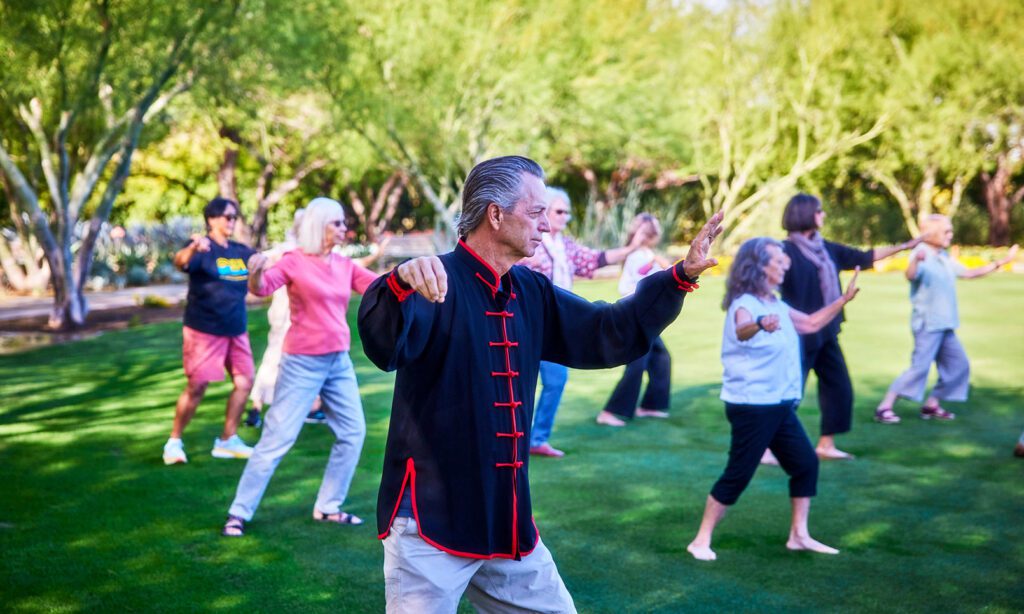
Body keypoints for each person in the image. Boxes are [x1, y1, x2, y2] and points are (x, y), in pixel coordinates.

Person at [357, 156, 724, 613]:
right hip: (431, 524)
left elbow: (608, 331)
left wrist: (680, 276)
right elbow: (383, 345)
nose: (547, 228)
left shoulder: (531, 290)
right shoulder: (433, 280)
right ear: (495, 214)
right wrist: (397, 283)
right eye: (537, 213)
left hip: (507, 523)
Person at [687, 237, 860, 562]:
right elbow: (741, 330)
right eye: (778, 262)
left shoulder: (776, 303)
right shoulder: (745, 304)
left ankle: (799, 535)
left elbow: (809, 323)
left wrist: (843, 299)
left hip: (778, 404)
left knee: (805, 464)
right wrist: (760, 325)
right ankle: (700, 540)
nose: (785, 266)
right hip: (752, 405)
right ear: (758, 266)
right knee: (738, 473)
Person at [221, 197, 378, 537]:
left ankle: (328, 506)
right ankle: (238, 512)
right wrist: (256, 270)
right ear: (318, 225)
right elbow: (262, 286)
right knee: (278, 438)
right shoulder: (293, 261)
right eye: (336, 223)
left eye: (342, 223)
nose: (343, 228)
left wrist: (419, 275)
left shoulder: (343, 265)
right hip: (301, 363)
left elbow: (380, 286)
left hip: (338, 361)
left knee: (353, 433)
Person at [779, 193, 922, 460]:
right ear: (806, 214)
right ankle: (766, 446)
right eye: (819, 211)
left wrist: (904, 247)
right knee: (788, 391)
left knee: (839, 387)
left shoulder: (825, 248)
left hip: (827, 331)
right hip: (798, 334)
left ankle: (826, 444)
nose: (823, 215)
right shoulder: (784, 250)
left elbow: (865, 257)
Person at [520, 187, 650, 456]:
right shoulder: (530, 243)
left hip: (556, 324)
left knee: (554, 383)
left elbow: (594, 259)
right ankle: (517, 441)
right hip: (529, 324)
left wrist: (632, 248)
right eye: (559, 211)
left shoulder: (564, 245)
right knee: (520, 385)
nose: (564, 217)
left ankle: (536, 440)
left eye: (567, 213)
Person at [874, 215, 1018, 423]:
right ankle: (884, 407)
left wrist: (1001, 263)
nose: (950, 235)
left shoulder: (943, 256)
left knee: (959, 366)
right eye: (946, 232)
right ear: (930, 234)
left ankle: (931, 405)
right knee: (919, 368)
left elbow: (968, 273)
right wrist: (915, 260)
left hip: (946, 324)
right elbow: (911, 275)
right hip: (928, 324)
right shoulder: (921, 253)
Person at [163, 197, 256, 466]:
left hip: (236, 329)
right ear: (211, 219)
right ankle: (174, 442)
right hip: (205, 329)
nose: (232, 221)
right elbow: (179, 262)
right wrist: (193, 248)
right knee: (197, 386)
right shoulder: (201, 248)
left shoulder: (240, 250)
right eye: (227, 217)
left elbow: (262, 261)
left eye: (234, 217)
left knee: (244, 382)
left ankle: (228, 440)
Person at [596, 213, 676, 426]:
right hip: (634, 316)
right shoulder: (635, 256)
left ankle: (651, 405)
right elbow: (630, 287)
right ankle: (609, 412)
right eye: (648, 233)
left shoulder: (649, 254)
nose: (651, 237)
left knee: (661, 358)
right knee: (637, 363)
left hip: (647, 317)